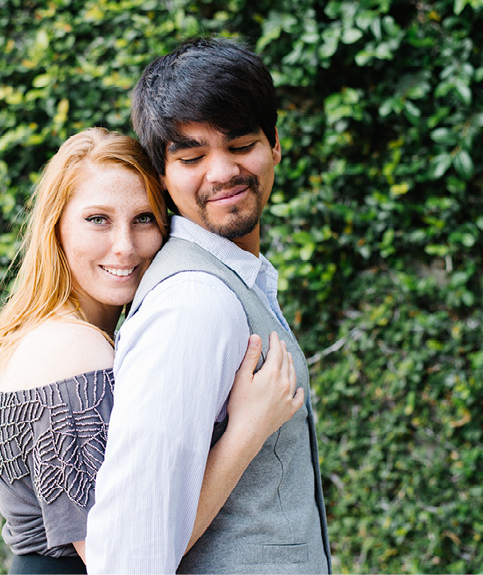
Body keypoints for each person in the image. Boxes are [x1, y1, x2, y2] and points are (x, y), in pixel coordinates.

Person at [0, 127, 305, 573]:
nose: (124, 246)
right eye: (97, 219)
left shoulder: (67, 336)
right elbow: (123, 558)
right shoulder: (70, 349)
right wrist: (248, 431)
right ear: (55, 226)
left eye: (143, 219)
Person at [85, 38, 332, 574]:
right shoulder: (194, 303)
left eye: (241, 144)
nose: (221, 172)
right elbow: (129, 553)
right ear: (162, 175)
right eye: (192, 156)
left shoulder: (232, 282)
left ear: (275, 148)